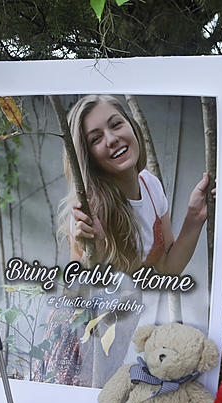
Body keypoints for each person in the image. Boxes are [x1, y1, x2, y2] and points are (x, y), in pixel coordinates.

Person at [60, 94, 212, 275]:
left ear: (132, 126)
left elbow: (168, 268)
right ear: (88, 157)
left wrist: (195, 216)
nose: (111, 139)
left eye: (116, 124)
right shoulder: (89, 211)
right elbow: (76, 295)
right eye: (96, 139)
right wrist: (95, 255)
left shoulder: (150, 186)